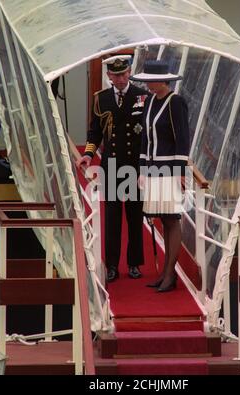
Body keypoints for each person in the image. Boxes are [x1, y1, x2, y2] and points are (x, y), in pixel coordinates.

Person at [77, 55, 148, 282]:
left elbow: (148, 131)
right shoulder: (101, 99)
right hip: (112, 164)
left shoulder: (142, 96)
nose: (120, 78)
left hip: (135, 164)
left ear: (129, 72)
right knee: (113, 216)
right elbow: (95, 132)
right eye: (116, 74)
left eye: (124, 73)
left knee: (135, 214)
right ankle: (112, 265)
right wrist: (88, 154)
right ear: (109, 75)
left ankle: (134, 263)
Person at [131, 60, 190, 292]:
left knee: (171, 219)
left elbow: (183, 139)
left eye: (150, 80)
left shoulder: (176, 102)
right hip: (154, 168)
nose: (147, 84)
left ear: (161, 80)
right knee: (163, 220)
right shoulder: (151, 102)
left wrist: (180, 171)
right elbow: (145, 139)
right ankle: (166, 273)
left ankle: (169, 275)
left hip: (169, 169)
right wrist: (143, 168)